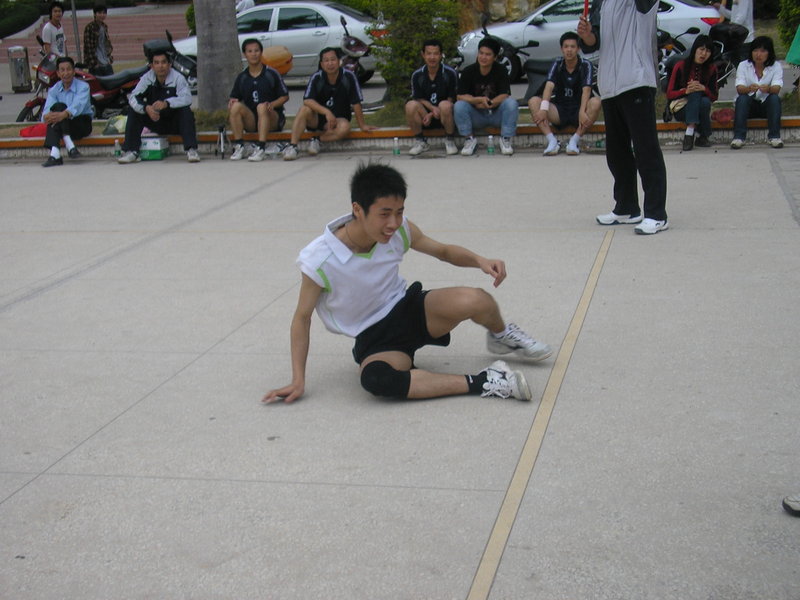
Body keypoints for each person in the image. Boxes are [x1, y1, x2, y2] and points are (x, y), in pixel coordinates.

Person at [263, 163, 553, 404]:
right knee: (378, 380)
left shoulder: (399, 229)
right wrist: (298, 380)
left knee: (477, 299)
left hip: (409, 308)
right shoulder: (319, 259)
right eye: (385, 213)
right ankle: (486, 381)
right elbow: (301, 318)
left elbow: (442, 251)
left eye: (399, 211)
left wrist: (480, 260)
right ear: (358, 209)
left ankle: (501, 336)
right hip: (375, 338)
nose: (394, 222)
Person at [577, 0, 669, 235]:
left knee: (646, 150)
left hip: (636, 81)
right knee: (617, 153)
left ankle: (656, 214)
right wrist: (587, 36)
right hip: (610, 86)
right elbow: (594, 44)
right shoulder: (603, 3)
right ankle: (627, 207)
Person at [283, 47, 377, 161]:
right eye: (326, 60)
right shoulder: (317, 77)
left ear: (339, 61)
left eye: (333, 59)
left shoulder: (349, 76)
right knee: (304, 109)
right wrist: (326, 112)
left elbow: (356, 102)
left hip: (339, 119)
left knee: (345, 128)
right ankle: (293, 147)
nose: (330, 63)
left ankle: (317, 140)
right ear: (322, 64)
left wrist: (362, 125)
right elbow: (307, 100)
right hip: (318, 118)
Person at [117, 49, 200, 164]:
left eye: (163, 62)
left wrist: (167, 103)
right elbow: (133, 98)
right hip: (155, 121)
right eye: (156, 63)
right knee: (134, 110)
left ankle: (191, 150)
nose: (160, 66)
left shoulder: (178, 78)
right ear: (151, 66)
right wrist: (146, 108)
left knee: (186, 111)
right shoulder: (146, 78)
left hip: (174, 122)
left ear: (169, 64)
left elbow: (187, 98)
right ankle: (131, 151)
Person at [528, 31, 601, 156]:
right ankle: (552, 141)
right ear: (561, 49)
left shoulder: (586, 65)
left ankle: (574, 141)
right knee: (534, 101)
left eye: (572, 47)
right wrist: (544, 109)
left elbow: (587, 90)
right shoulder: (557, 63)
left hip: (579, 109)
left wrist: (582, 111)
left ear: (578, 49)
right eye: (566, 47)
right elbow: (549, 86)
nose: (569, 50)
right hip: (560, 110)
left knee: (596, 102)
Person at [228, 38, 290, 162]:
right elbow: (235, 97)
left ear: (261, 52)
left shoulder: (271, 73)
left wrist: (272, 104)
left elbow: (285, 96)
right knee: (235, 107)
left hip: (271, 117)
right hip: (252, 120)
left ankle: (261, 148)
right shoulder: (242, 77)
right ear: (245, 54)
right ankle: (240, 146)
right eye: (250, 51)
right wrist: (232, 101)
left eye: (256, 51)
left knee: (262, 107)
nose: (254, 54)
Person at [454, 37, 518, 156]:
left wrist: (490, 103)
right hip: (476, 114)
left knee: (511, 103)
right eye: (481, 53)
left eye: (488, 54)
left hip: (496, 113)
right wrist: (478, 100)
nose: (483, 57)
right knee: (459, 106)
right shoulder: (468, 71)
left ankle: (505, 139)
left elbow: (505, 95)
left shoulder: (501, 70)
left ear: (495, 57)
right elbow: (460, 96)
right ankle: (469, 139)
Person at [405, 39, 459, 156]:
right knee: (410, 105)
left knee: (445, 105)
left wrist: (434, 112)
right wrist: (431, 110)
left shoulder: (450, 73)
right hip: (425, 116)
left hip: (445, 114)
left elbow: (451, 98)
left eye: (435, 54)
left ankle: (450, 140)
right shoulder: (417, 75)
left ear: (441, 55)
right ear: (423, 55)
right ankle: (421, 141)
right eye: (429, 53)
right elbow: (418, 98)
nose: (432, 57)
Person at [665, 34, 719, 151]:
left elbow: (714, 96)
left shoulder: (711, 69)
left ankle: (690, 133)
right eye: (701, 49)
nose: (703, 54)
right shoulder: (680, 66)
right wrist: (686, 91)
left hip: (700, 107)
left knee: (704, 100)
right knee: (694, 91)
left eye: (708, 51)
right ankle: (702, 135)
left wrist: (704, 88)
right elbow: (669, 94)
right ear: (695, 49)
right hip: (681, 108)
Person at [730, 36, 783, 150]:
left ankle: (774, 137)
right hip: (749, 106)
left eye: (763, 51)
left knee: (774, 98)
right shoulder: (743, 65)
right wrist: (749, 89)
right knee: (742, 99)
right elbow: (739, 88)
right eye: (755, 50)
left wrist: (768, 89)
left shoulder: (776, 66)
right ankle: (738, 137)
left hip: (766, 106)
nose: (758, 54)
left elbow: (777, 88)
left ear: (769, 53)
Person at [40, 56, 93, 167]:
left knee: (60, 109)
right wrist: (47, 116)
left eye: (68, 69)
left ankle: (56, 154)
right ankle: (67, 148)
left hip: (80, 124)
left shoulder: (83, 87)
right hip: (62, 124)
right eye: (62, 70)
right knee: (57, 109)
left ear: (73, 71)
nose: (66, 73)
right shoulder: (54, 89)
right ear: (58, 73)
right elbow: (47, 110)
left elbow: (78, 106)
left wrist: (64, 114)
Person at [83, 4, 114, 76]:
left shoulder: (104, 26)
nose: (102, 15)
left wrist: (109, 57)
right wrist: (94, 63)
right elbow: (89, 47)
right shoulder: (90, 27)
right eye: (99, 13)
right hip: (96, 63)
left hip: (105, 60)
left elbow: (106, 44)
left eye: (104, 13)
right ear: (95, 14)